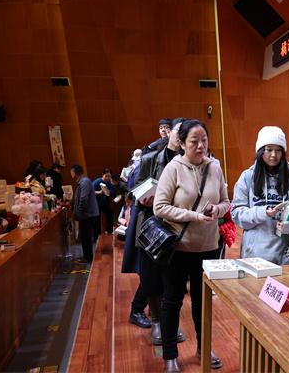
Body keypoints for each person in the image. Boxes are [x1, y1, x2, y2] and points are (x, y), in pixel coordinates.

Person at [153, 119, 230, 371]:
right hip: (178, 248)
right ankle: (170, 355)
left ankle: (203, 347)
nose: (200, 146)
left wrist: (217, 209)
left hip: (208, 247)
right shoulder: (173, 168)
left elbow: (226, 201)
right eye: (194, 142)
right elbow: (159, 207)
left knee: (202, 302)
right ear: (182, 144)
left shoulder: (215, 167)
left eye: (204, 141)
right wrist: (193, 216)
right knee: (172, 301)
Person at [122, 118, 187, 343]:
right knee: (151, 278)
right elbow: (133, 189)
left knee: (174, 280)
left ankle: (170, 323)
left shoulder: (188, 161)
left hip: (177, 226)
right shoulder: (151, 157)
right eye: (178, 131)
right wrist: (144, 198)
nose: (180, 136)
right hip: (152, 225)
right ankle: (157, 322)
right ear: (170, 133)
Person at [232, 126, 289, 265]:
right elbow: (236, 213)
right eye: (269, 149)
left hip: (285, 257)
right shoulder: (247, 177)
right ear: (260, 151)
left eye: (278, 150)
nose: (274, 155)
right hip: (254, 254)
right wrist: (262, 213)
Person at [71, 165, 99, 263]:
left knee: (86, 237)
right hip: (86, 214)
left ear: (74, 172)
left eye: (71, 171)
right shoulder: (82, 181)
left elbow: (83, 198)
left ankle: (88, 257)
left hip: (87, 215)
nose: (71, 174)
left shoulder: (84, 182)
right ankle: (86, 256)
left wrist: (80, 211)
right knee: (84, 237)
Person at [92, 169, 116, 236]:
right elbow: (90, 192)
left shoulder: (108, 182)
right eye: (106, 176)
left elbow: (113, 192)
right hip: (96, 204)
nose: (107, 178)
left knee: (110, 214)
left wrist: (109, 192)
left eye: (109, 176)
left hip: (104, 203)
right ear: (102, 175)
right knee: (97, 219)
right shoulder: (97, 182)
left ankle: (109, 231)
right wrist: (98, 192)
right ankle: (97, 235)